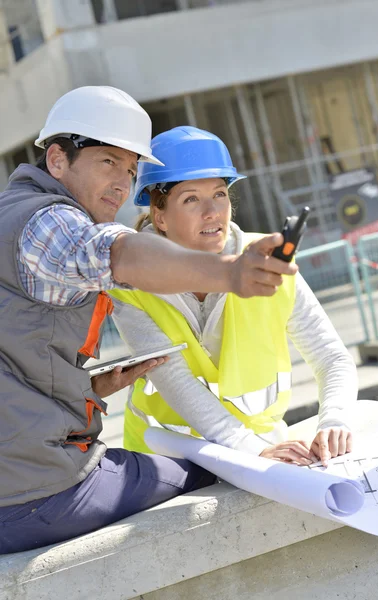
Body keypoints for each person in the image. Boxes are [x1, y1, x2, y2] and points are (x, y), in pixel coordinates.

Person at [0, 88, 298, 554]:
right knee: (216, 476)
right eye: (108, 163)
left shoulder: (7, 217)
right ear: (56, 160)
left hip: (14, 479)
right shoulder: (47, 222)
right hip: (32, 495)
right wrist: (228, 272)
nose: (122, 184)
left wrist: (87, 388)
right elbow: (116, 251)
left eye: (131, 169)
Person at [110, 126, 358, 469]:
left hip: (259, 455)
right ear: (160, 215)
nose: (212, 211)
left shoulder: (270, 262)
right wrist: (249, 449)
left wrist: (335, 419)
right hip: (166, 463)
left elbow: (332, 358)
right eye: (191, 199)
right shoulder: (130, 285)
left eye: (220, 194)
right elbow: (175, 381)